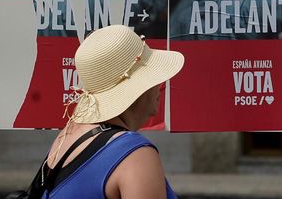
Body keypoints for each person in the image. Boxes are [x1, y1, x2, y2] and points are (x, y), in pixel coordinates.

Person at [42, 24, 184, 198]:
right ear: (138, 88)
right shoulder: (134, 154)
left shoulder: (68, 137)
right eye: (153, 77)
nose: (160, 86)